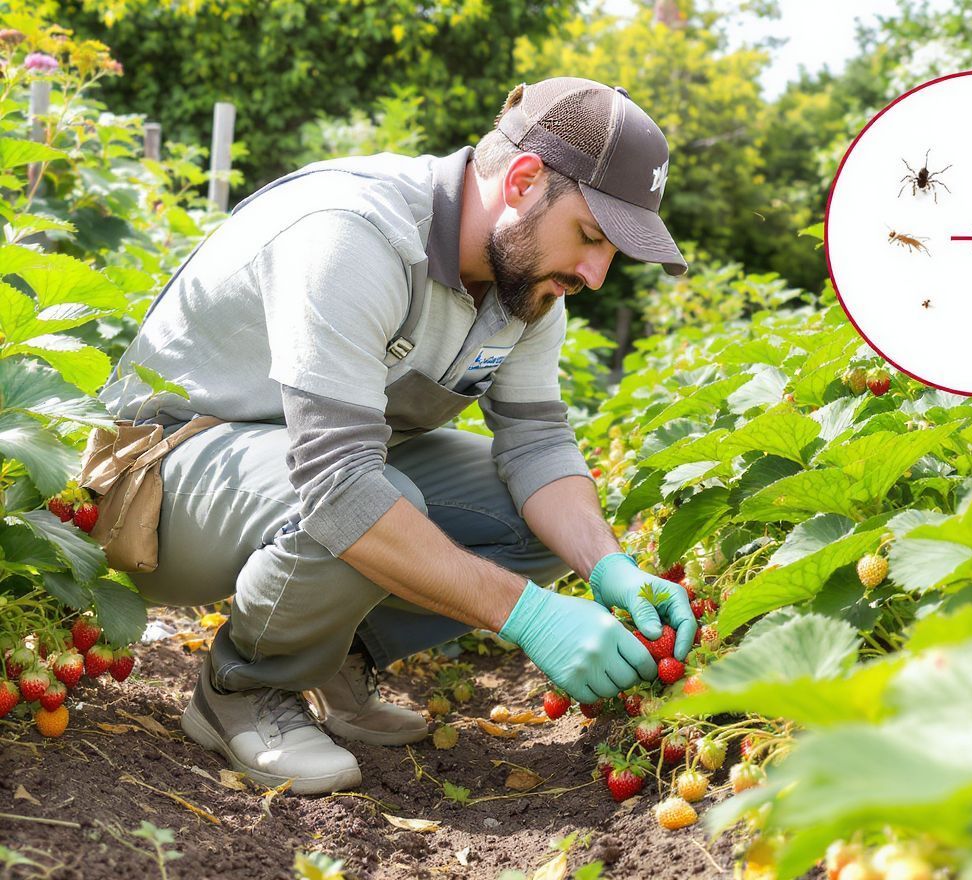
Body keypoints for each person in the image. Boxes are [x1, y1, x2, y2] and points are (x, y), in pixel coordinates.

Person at [97, 77, 695, 795]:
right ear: (525, 180)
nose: (595, 274)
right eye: (592, 237)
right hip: (154, 482)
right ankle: (241, 690)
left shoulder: (524, 284)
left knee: (527, 520)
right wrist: (527, 615)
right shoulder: (354, 233)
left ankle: (327, 657)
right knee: (372, 500)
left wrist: (606, 567)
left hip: (288, 465)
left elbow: (536, 444)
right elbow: (339, 489)